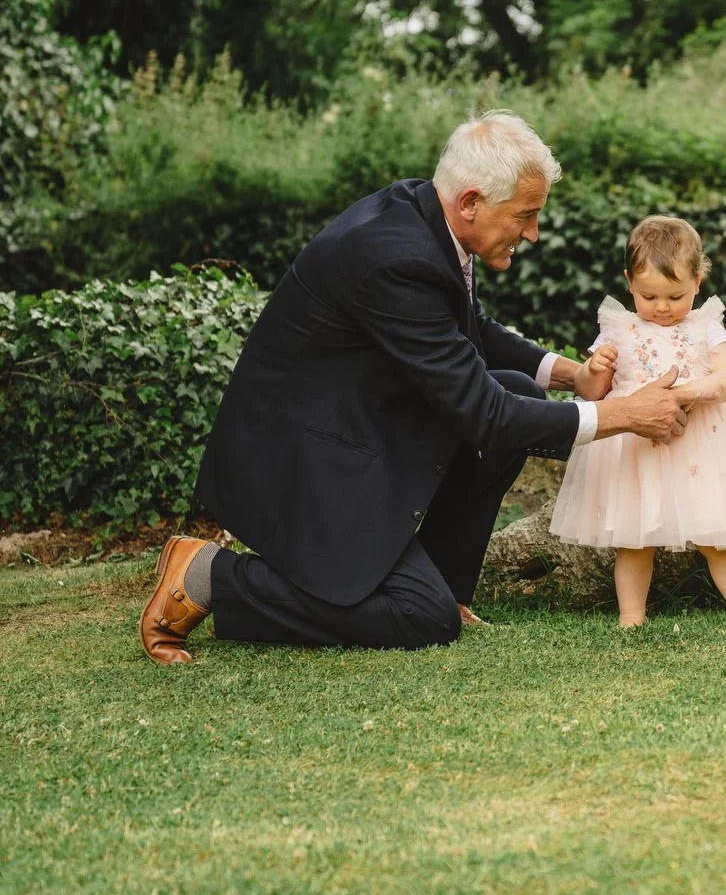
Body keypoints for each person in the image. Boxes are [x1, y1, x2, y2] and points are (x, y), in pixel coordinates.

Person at [139, 111, 692, 664]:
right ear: (472, 202)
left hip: (347, 426)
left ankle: (442, 591)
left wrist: (574, 373)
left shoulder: (424, 216)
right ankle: (212, 575)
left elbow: (471, 330)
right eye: (525, 215)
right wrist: (624, 413)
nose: (533, 233)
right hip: (301, 466)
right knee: (417, 614)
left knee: (515, 384)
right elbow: (487, 416)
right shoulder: (396, 257)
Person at [549, 216, 726, 628]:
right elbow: (592, 393)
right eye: (648, 296)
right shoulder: (619, 328)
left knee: (717, 539)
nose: (662, 308)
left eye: (675, 295)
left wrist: (686, 393)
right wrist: (596, 367)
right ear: (629, 282)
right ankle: (631, 617)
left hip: (699, 445)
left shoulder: (705, 326)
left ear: (698, 282)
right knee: (633, 542)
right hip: (636, 449)